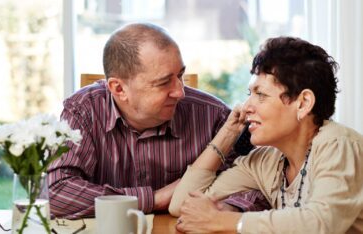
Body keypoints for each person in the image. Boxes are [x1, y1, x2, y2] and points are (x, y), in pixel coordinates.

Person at [47, 22, 267, 219]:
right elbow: (57, 192)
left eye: (180, 75)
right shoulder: (84, 111)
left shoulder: (213, 116)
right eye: (163, 83)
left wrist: (229, 209)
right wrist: (154, 199)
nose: (180, 92)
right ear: (118, 88)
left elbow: (256, 184)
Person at [169, 36, 363, 233]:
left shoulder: (339, 144)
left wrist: (224, 221)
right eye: (249, 95)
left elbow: (320, 224)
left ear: (303, 103)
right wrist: (227, 134)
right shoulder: (266, 160)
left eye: (260, 95)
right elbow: (182, 204)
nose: (246, 107)